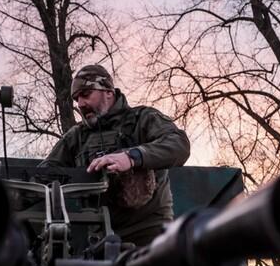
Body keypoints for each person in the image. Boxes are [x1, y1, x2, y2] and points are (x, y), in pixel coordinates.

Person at [40, 65, 190, 246]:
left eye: (86, 94)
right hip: (101, 240)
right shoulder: (76, 137)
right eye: (76, 99)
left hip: (150, 235)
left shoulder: (142, 119)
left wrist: (132, 157)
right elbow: (45, 174)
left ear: (108, 92)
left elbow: (179, 144)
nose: (80, 104)